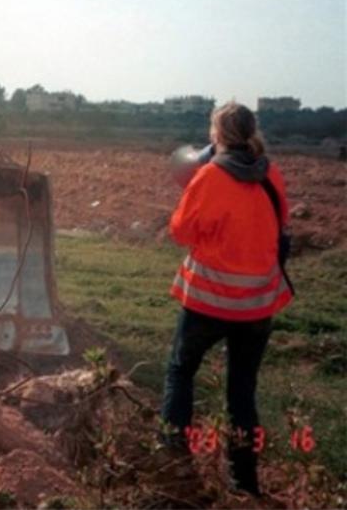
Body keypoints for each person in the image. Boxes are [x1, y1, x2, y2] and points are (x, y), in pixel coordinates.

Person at [161, 102, 293, 496]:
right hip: (257, 305)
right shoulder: (271, 174)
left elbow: (181, 232)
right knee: (241, 391)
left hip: (210, 301)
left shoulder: (210, 175)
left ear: (216, 134)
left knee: (180, 372)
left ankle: (174, 466)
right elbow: (281, 224)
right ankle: (245, 483)